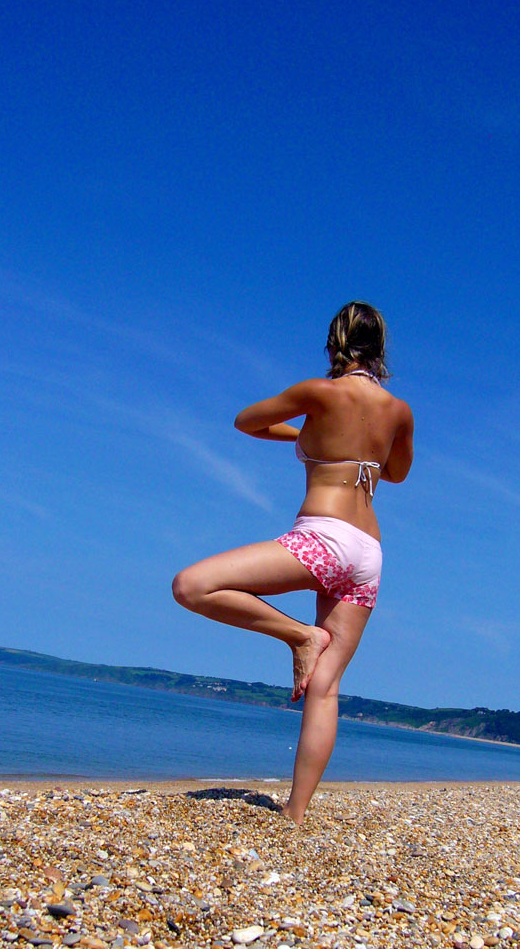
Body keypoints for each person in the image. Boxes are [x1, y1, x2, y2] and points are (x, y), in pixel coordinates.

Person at [172, 302, 414, 825]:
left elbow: (247, 423)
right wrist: (325, 443)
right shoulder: (399, 409)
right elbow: (396, 473)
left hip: (323, 539)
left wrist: (305, 434)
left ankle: (298, 636)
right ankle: (295, 815)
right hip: (368, 553)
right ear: (380, 348)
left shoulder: (318, 393)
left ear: (335, 343)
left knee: (192, 586)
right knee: (325, 688)